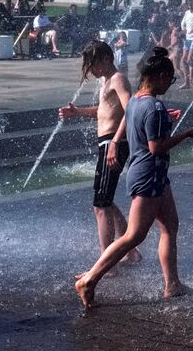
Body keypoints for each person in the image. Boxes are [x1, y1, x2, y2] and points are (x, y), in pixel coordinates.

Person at [74, 53, 193, 310]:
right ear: (157, 77)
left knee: (170, 226)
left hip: (149, 174)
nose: (170, 83)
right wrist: (187, 134)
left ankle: (172, 285)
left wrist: (165, 120)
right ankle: (90, 279)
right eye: (169, 78)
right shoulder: (154, 107)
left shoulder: (136, 101)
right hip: (149, 175)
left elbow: (143, 128)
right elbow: (156, 147)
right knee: (134, 235)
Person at [59, 41, 142, 271]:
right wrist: (77, 113)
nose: (91, 71)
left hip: (113, 144)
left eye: (93, 65)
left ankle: (107, 266)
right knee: (106, 201)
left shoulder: (118, 79)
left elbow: (131, 110)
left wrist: (115, 142)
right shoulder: (108, 81)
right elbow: (104, 110)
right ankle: (131, 252)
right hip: (107, 143)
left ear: (106, 58)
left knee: (101, 205)